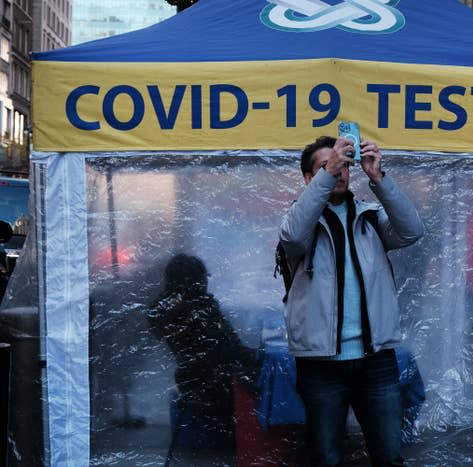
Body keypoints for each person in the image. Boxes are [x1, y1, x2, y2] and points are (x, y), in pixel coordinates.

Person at [278, 136, 424, 466]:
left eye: (343, 165)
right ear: (308, 178)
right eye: (326, 167)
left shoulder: (370, 218)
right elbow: (291, 238)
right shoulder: (299, 221)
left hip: (375, 359)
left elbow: (413, 230)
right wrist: (324, 178)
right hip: (321, 364)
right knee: (326, 457)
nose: (338, 172)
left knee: (388, 455)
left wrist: (378, 178)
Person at [147, 254, 259, 461]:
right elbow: (231, 347)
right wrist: (261, 356)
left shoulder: (164, 308)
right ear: (195, 280)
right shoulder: (201, 308)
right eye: (203, 278)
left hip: (190, 380)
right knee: (273, 378)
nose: (207, 282)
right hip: (214, 382)